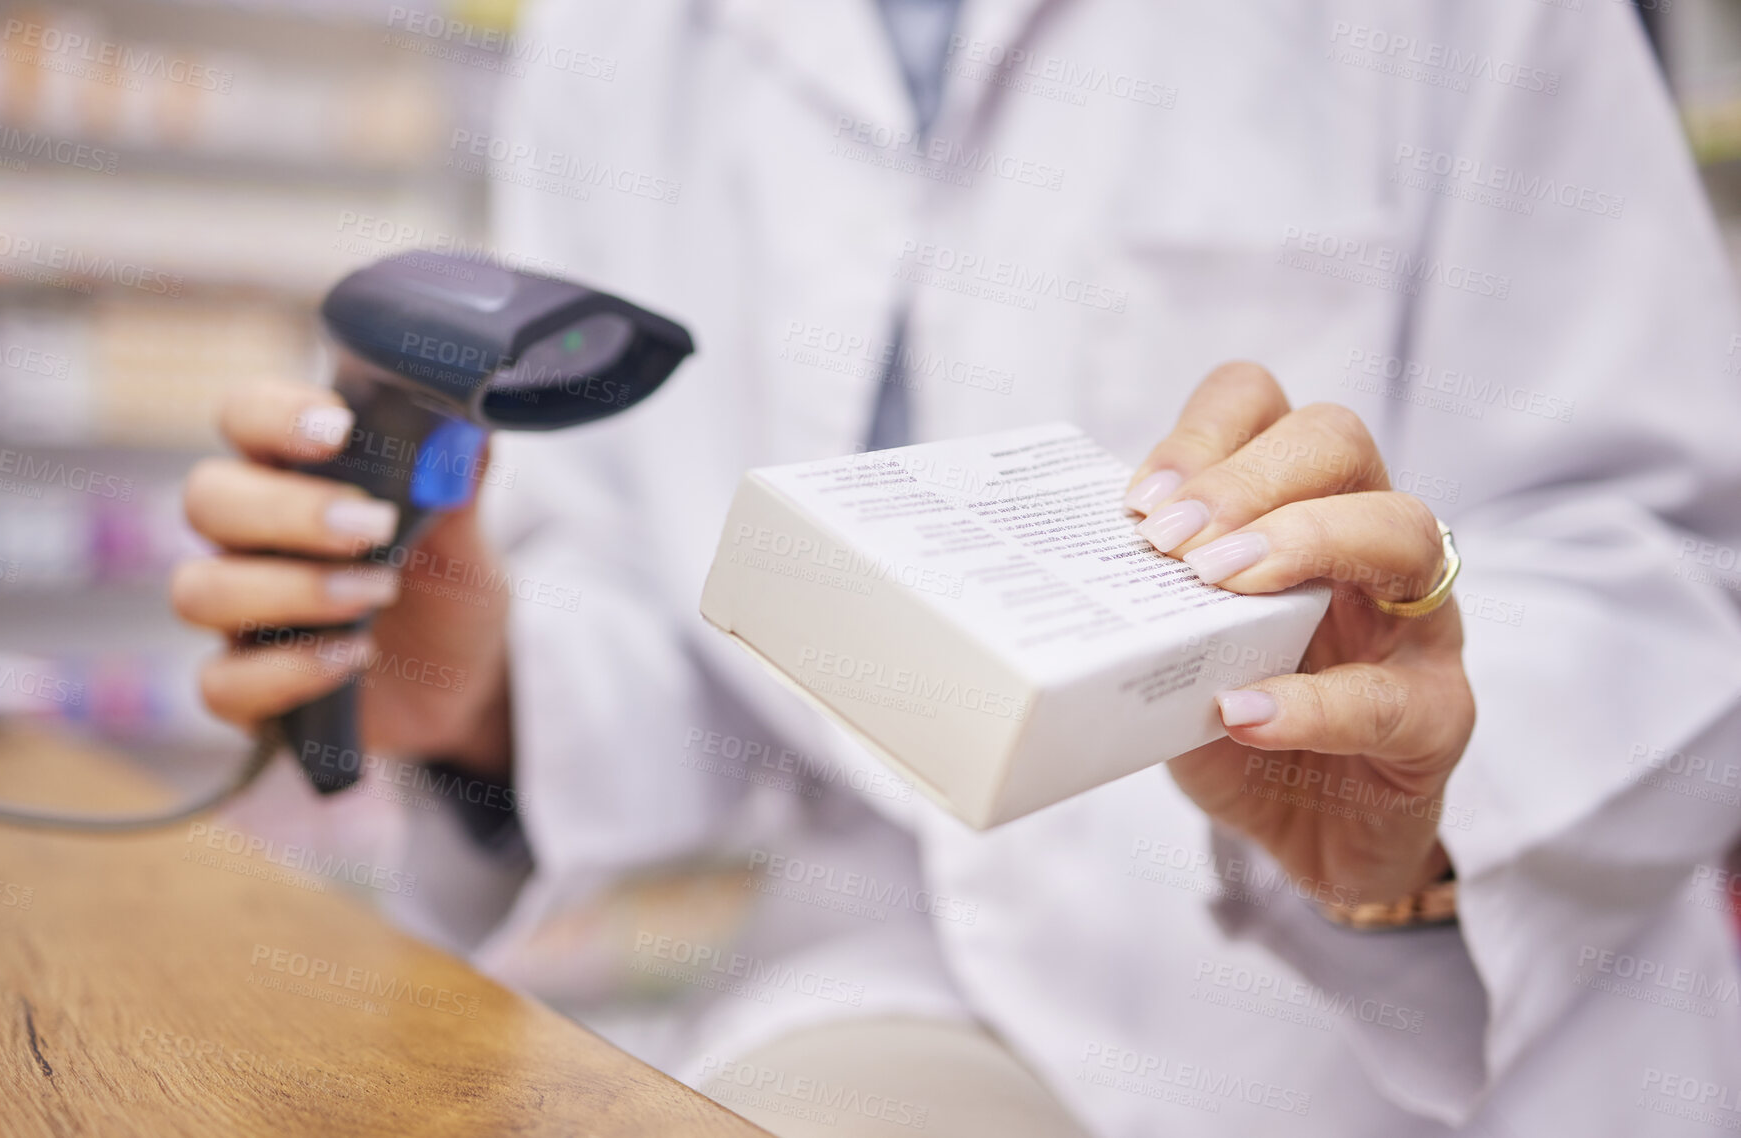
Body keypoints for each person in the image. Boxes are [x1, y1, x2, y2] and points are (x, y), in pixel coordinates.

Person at [170, 1, 1741, 1134]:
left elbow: (1666, 558)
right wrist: (491, 689)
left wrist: (1407, 810)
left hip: (1364, 1030)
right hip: (878, 948)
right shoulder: (619, 38)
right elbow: (709, 628)